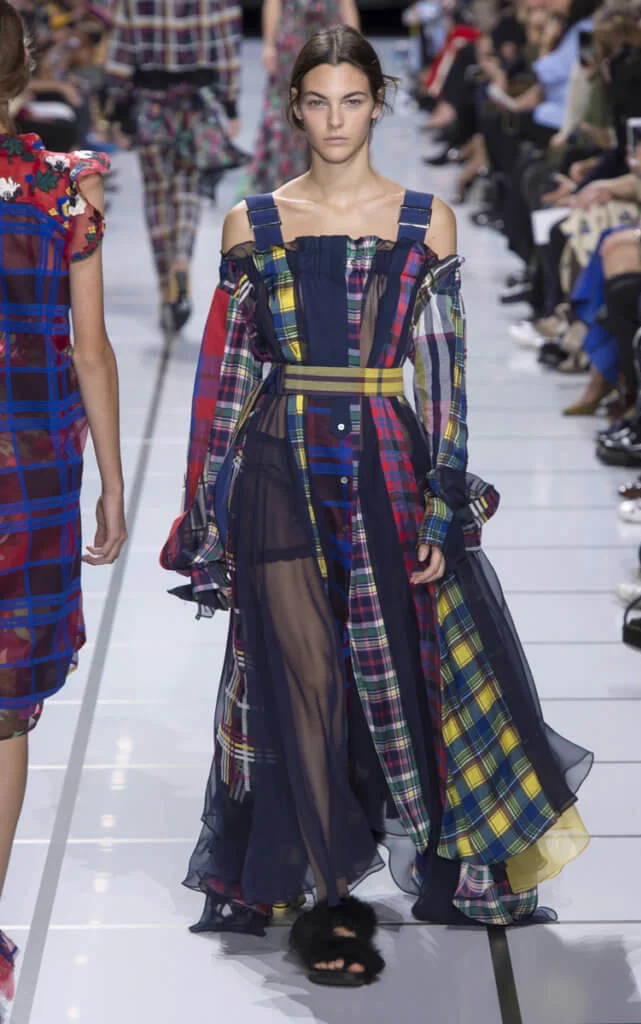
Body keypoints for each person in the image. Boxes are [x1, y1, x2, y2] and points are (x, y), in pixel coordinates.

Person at [161, 26, 592, 988]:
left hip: (386, 465)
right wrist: (207, 515)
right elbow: (225, 385)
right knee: (302, 682)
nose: (334, 121)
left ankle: (426, 858)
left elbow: (443, 375)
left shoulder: (424, 222)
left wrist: (445, 503)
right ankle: (330, 901)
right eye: (317, 102)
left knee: (399, 673)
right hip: (277, 466)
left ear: (376, 105)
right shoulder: (252, 223)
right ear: (293, 107)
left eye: (351, 101)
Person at [0, 0, 126, 1005]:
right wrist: (115, 484)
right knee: (3, 712)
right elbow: (90, 349)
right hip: (31, 473)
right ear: (23, 72)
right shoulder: (62, 188)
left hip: (27, 471)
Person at [105, 0, 243, 332]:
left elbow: (121, 51)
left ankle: (165, 283)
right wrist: (229, 103)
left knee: (157, 194)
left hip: (150, 105)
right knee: (189, 189)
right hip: (197, 104)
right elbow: (227, 50)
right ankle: (182, 256)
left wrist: (117, 107)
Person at [245, 0, 360, 193]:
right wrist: (269, 45)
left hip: (330, 45)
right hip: (292, 45)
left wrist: (355, 47)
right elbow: (273, 3)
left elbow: (347, 5)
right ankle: (288, 184)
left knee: (329, 108)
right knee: (289, 111)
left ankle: (329, 182)